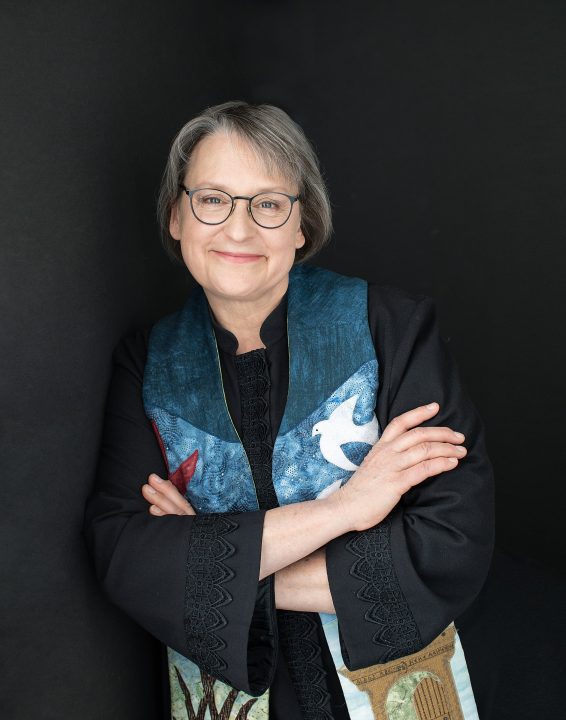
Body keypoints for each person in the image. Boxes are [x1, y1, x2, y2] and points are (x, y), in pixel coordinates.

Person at [83, 101, 495, 720]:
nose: (239, 230)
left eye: (269, 204)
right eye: (213, 199)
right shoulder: (148, 364)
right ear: (176, 216)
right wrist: (346, 510)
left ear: (303, 225)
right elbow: (127, 560)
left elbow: (449, 543)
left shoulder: (390, 329)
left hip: (394, 681)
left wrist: (207, 564)